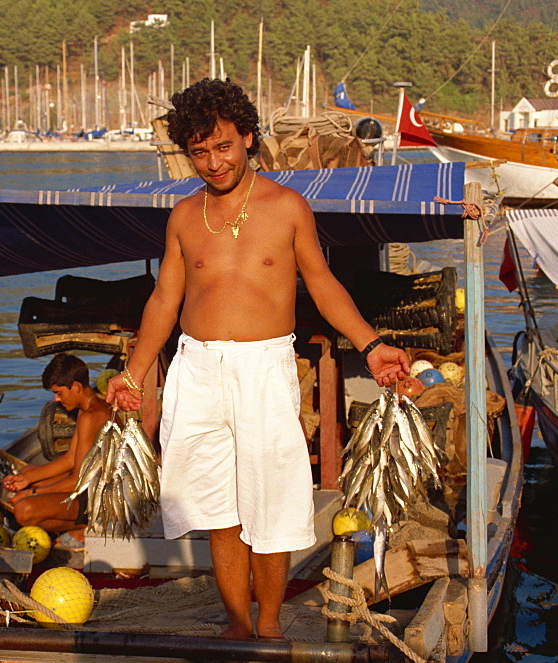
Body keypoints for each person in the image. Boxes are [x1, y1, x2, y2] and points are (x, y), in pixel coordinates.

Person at [107, 78, 410, 640]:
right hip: (196, 369)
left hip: (265, 369)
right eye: (199, 151)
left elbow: (323, 287)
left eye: (223, 146)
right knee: (215, 505)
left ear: (247, 137)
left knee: (270, 503)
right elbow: (164, 301)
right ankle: (238, 624)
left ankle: (269, 626)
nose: (213, 162)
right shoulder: (181, 217)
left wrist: (371, 346)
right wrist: (133, 372)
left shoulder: (287, 207)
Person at [3, 352, 110, 549]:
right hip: (89, 488)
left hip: (101, 501)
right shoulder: (88, 409)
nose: (56, 399)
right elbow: (71, 459)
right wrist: (29, 479)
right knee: (27, 472)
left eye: (59, 393)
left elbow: (78, 481)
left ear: (76, 386)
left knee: (23, 511)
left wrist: (33, 493)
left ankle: (90, 527)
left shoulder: (91, 417)